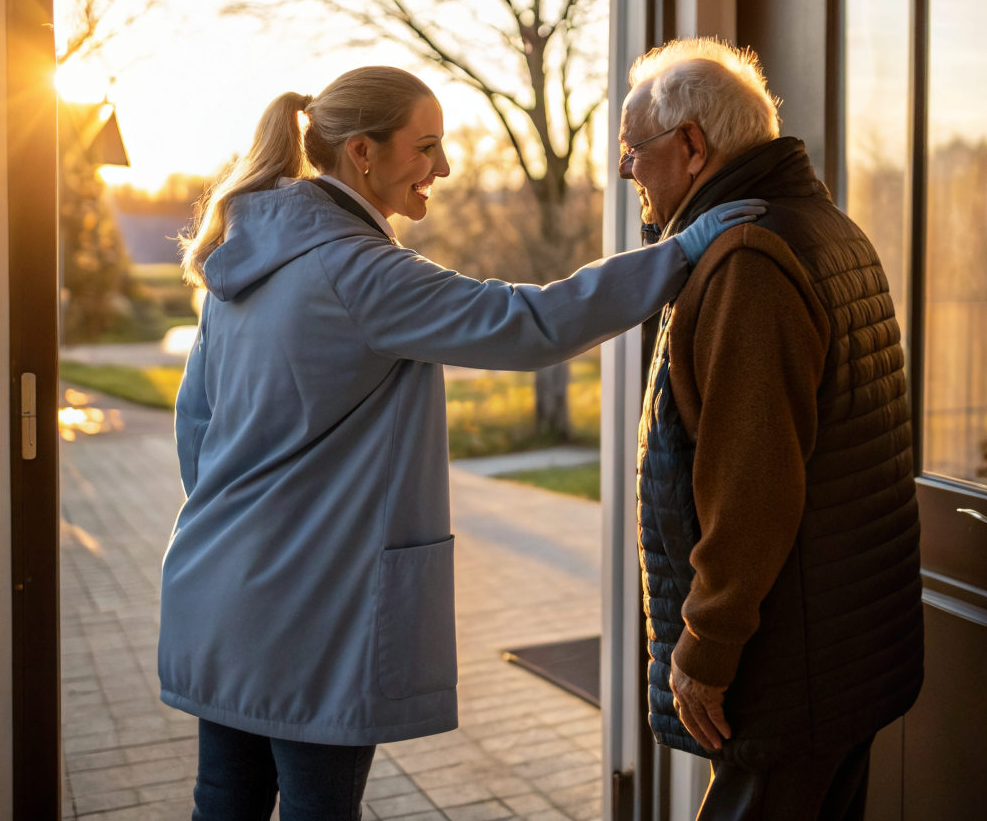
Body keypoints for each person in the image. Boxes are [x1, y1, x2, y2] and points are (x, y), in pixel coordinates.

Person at [158, 65, 764, 821]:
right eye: (426, 146)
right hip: (308, 610)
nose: (443, 167)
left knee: (224, 803)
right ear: (362, 153)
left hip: (218, 589)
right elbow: (528, 323)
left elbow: (195, 426)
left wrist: (248, 527)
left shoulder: (241, 260)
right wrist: (681, 251)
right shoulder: (358, 270)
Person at [622, 39, 923, 821]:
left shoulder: (748, 258)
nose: (626, 170)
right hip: (842, 643)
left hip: (788, 657)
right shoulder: (823, 225)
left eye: (634, 149)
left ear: (691, 145)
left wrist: (705, 646)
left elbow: (752, 484)